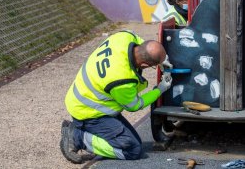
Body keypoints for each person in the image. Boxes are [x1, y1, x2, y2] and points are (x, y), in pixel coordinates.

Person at [60, 30, 173, 163]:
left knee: (133, 142)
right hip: (89, 112)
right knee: (132, 150)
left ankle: (81, 131)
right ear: (144, 65)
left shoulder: (124, 37)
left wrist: (162, 59)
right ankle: (78, 137)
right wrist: (160, 90)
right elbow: (135, 105)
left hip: (83, 97)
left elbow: (145, 45)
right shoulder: (122, 79)